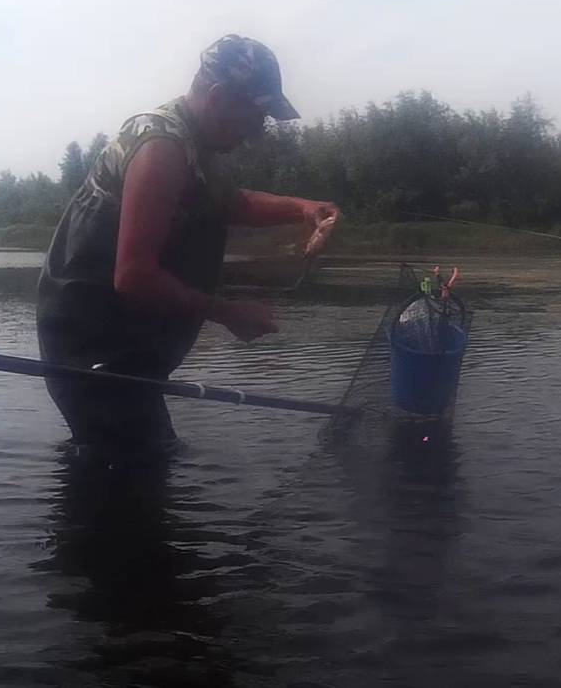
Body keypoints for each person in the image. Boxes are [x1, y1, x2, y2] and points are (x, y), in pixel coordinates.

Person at [37, 34, 341, 459]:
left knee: (140, 463)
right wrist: (229, 313)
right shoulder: (161, 148)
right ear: (218, 98)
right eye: (256, 116)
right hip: (93, 350)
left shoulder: (194, 144)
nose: (258, 131)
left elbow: (232, 202)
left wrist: (302, 208)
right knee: (130, 474)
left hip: (126, 348)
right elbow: (134, 276)